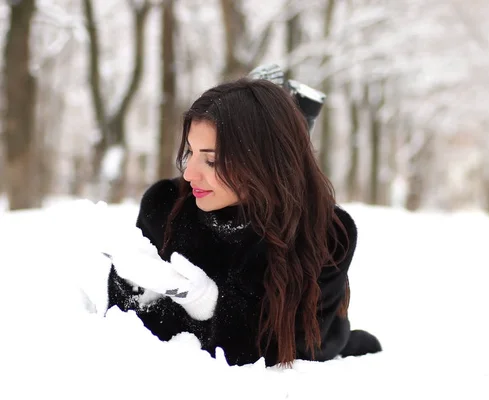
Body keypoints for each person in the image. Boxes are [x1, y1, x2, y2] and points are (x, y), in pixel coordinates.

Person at [105, 78, 382, 367]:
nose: (190, 174)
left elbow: (287, 353)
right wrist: (130, 285)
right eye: (190, 152)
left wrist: (209, 306)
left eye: (211, 161)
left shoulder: (326, 233)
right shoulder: (165, 206)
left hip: (324, 344)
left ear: (262, 163)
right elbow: (129, 330)